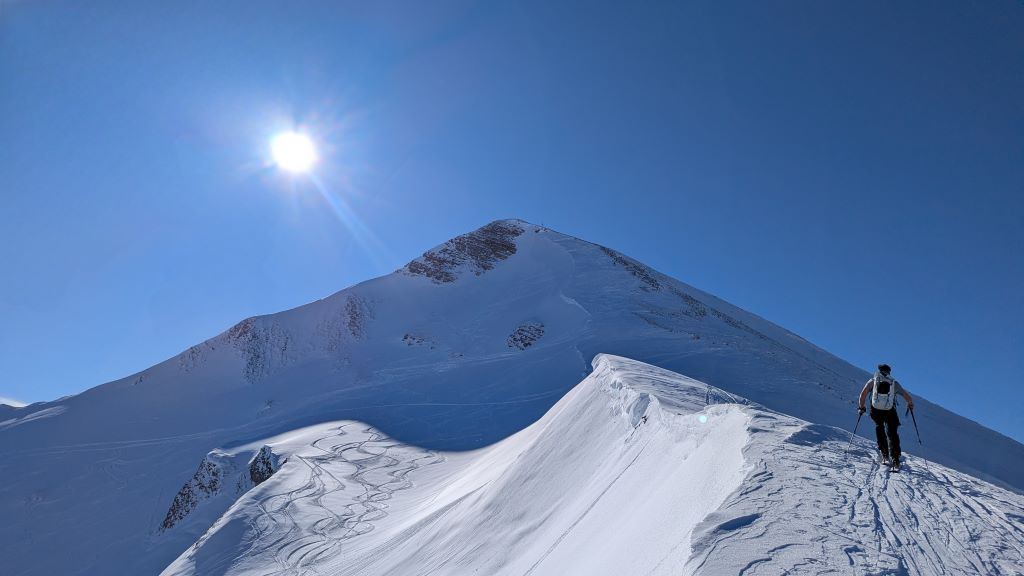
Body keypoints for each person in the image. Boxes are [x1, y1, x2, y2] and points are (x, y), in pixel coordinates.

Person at [858, 363, 914, 468]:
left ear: (879, 371)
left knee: (879, 428)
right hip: (889, 410)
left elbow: (863, 394)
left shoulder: (873, 381)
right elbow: (907, 397)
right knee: (892, 433)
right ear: (889, 372)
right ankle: (895, 458)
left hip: (876, 410)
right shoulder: (893, 383)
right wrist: (910, 404)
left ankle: (884, 455)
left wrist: (861, 408)